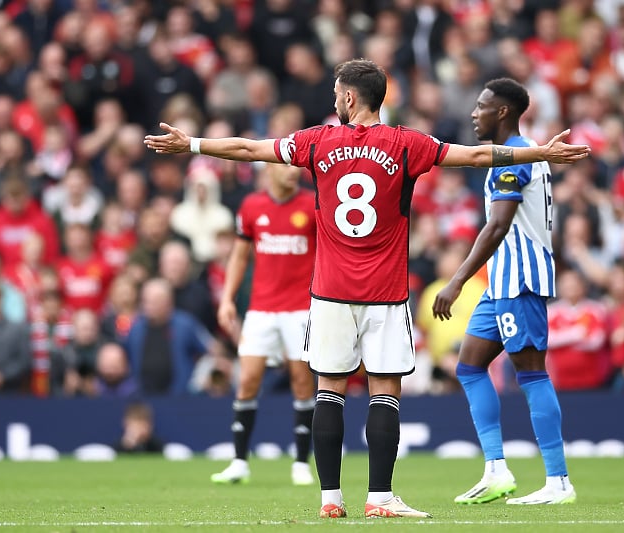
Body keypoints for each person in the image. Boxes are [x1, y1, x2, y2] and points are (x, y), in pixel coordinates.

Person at [144, 59, 589, 519]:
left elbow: (249, 148)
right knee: (384, 391)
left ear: (350, 98)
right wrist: (539, 153)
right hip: (386, 291)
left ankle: (330, 500)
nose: (334, 100)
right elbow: (476, 156)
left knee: (329, 390)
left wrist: (192, 144)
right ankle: (379, 497)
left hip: (330, 290)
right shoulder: (406, 143)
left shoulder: (317, 141)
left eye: (337, 93)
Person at [431, 78, 576, 506]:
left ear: (503, 112)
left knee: (531, 373)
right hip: (502, 283)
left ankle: (558, 481)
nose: (473, 113)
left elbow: (497, 226)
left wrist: (456, 280)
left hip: (521, 280)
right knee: (470, 367)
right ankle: (496, 469)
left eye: (481, 106)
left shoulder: (514, 158)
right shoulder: (514, 154)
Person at [210, 163, 318, 487]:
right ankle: (240, 462)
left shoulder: (312, 204)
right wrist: (228, 298)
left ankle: (301, 462)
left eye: (295, 168)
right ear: (268, 171)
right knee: (247, 381)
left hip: (301, 308)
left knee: (302, 381)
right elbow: (239, 255)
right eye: (285, 167)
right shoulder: (252, 206)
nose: (293, 172)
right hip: (261, 309)